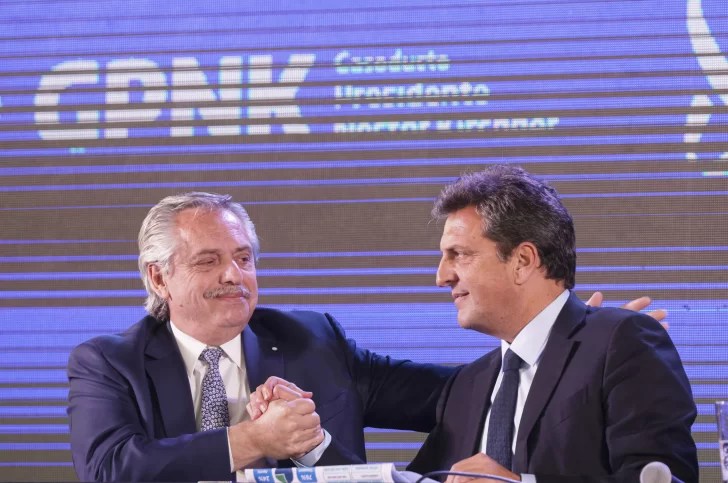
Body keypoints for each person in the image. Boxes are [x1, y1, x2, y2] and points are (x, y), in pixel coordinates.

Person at [67, 190, 669, 482]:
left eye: (244, 258)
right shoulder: (108, 362)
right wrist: (253, 439)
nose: (234, 275)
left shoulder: (310, 339)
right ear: (158, 277)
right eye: (208, 262)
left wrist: (568, 334)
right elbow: (112, 468)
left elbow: (463, 395)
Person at [401, 166, 698, 482]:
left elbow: (660, 477)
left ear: (523, 261)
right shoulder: (467, 385)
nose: (441, 277)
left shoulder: (622, 342)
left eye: (459, 254)